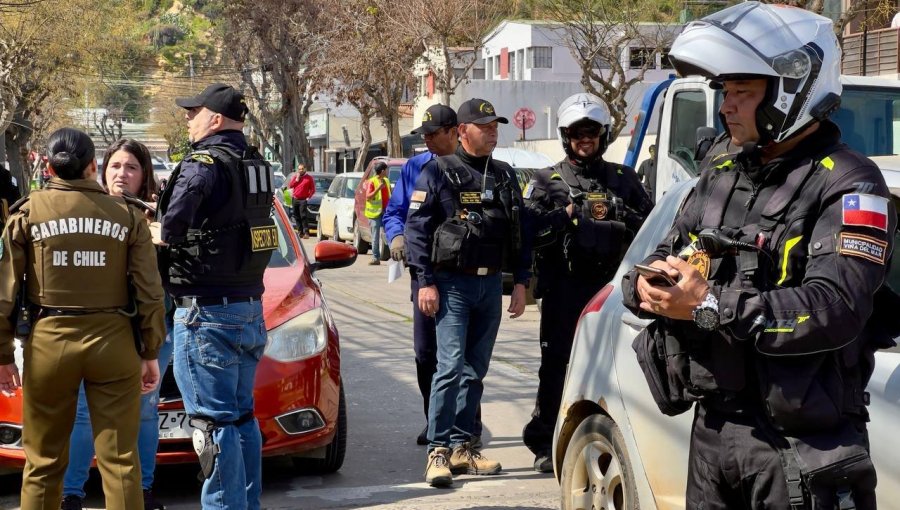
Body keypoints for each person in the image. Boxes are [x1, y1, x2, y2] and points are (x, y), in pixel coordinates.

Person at [623, 3, 896, 508]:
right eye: (725, 92)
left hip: (802, 444)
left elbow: (837, 305)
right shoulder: (721, 169)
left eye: (742, 93)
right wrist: (647, 287)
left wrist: (710, 305)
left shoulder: (851, 183)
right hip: (714, 432)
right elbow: (666, 252)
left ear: (793, 90)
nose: (726, 107)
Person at [0, 127, 166, 510]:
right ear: (93, 166)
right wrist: (150, 348)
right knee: (122, 462)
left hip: (49, 342)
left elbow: (5, 290)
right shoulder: (127, 216)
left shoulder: (27, 212)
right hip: (114, 341)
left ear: (51, 168)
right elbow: (149, 291)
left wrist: (3, 353)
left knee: (42, 463)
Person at [155, 83, 275, 509]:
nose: (188, 119)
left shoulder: (203, 162)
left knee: (210, 424)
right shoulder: (255, 162)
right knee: (241, 418)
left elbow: (171, 228)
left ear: (216, 119)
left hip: (204, 313)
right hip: (248, 309)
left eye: (194, 112)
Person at [522, 93, 652, 472]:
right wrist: (564, 215)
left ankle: (618, 439)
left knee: (618, 366)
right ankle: (546, 442)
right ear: (566, 135)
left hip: (614, 292)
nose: (584, 139)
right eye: (577, 132)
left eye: (591, 132)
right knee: (557, 367)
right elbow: (528, 234)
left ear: (603, 135)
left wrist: (621, 210)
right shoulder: (546, 181)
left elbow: (654, 231)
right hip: (565, 290)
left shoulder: (625, 180)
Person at [406, 98, 532, 487]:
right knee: (449, 368)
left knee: (474, 371)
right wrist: (425, 281)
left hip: (490, 284)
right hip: (451, 285)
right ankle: (438, 451)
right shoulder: (438, 171)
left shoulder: (506, 175)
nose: (493, 132)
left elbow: (520, 232)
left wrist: (523, 283)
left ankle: (463, 448)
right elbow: (417, 230)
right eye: (485, 126)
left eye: (496, 126)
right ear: (462, 130)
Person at [60, 138, 174, 510]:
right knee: (82, 411)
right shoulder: (87, 211)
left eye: (131, 167)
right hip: (97, 330)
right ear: (100, 170)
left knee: (144, 410)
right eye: (115, 166)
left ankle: (143, 491)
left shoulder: (160, 216)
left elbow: (161, 284)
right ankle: (70, 494)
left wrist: (159, 232)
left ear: (144, 177)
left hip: (148, 329)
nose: (122, 175)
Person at [385, 103, 489, 446]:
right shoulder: (416, 167)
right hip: (425, 275)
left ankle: (466, 427)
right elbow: (395, 212)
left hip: (463, 275)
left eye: (433, 134)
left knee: (463, 356)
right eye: (423, 135)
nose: (427, 140)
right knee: (426, 353)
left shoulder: (476, 168)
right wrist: (397, 237)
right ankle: (435, 421)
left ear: (454, 131)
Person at [364, 161, 391, 265]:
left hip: (386, 212)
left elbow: (389, 195)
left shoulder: (386, 181)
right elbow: (368, 196)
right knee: (375, 236)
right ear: (383, 171)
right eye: (386, 170)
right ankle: (376, 258)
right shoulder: (372, 181)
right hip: (375, 214)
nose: (387, 171)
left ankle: (391, 256)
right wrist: (378, 188)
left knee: (388, 234)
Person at [288, 163, 315, 238]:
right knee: (296, 216)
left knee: (303, 216)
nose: (301, 170)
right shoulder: (295, 177)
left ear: (305, 169)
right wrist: (297, 179)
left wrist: (308, 197)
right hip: (295, 199)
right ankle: (300, 232)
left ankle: (306, 232)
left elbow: (312, 189)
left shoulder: (309, 178)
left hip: (303, 199)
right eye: (299, 169)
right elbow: (290, 186)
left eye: (302, 169)